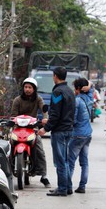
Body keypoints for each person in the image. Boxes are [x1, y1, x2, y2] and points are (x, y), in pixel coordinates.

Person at [38, 66, 75, 197]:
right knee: (65, 160)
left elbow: (55, 114)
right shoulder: (70, 91)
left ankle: (62, 189)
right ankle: (68, 187)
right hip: (69, 130)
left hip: (59, 131)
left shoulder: (57, 92)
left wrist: (45, 128)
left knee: (60, 161)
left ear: (55, 76)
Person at [11, 77, 51, 188]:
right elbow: (13, 115)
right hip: (18, 128)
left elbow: (44, 110)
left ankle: (43, 175)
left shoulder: (38, 99)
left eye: (30, 87)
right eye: (26, 87)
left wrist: (45, 119)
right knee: (8, 146)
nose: (27, 89)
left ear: (34, 89)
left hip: (32, 128)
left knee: (39, 149)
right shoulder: (17, 100)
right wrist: (12, 122)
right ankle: (8, 171)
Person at [67, 78, 93, 194]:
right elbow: (91, 86)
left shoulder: (76, 101)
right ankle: (82, 186)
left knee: (70, 162)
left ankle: (67, 186)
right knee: (84, 162)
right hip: (87, 134)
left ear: (78, 89)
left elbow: (74, 120)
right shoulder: (90, 98)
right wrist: (89, 86)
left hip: (77, 135)